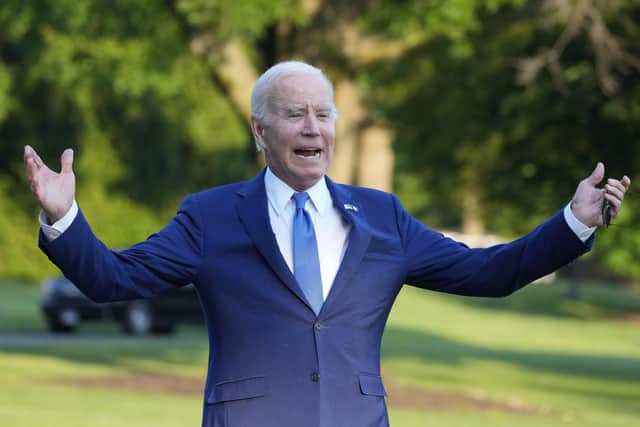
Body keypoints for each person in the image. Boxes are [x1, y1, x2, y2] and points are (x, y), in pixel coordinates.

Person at [24, 61, 631, 427]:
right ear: (260, 131)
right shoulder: (210, 217)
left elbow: (490, 273)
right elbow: (112, 280)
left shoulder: (382, 216)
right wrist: (65, 217)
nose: (313, 127)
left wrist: (571, 222)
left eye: (323, 114)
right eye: (294, 115)